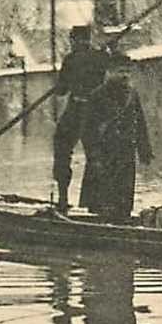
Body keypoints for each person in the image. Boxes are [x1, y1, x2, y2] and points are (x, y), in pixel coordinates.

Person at [79, 54, 153, 221]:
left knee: (123, 196)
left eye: (128, 71)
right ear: (110, 72)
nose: (125, 75)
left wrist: (144, 150)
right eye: (120, 71)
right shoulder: (97, 96)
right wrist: (93, 156)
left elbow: (140, 122)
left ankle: (122, 222)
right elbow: (88, 130)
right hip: (104, 153)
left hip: (125, 152)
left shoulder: (132, 95)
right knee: (102, 200)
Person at [51, 24, 108, 211]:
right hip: (96, 111)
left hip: (76, 109)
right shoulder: (101, 57)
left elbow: (61, 90)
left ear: (74, 40)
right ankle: (94, 203)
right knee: (95, 155)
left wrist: (58, 83)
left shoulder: (71, 59)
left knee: (62, 148)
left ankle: (63, 198)